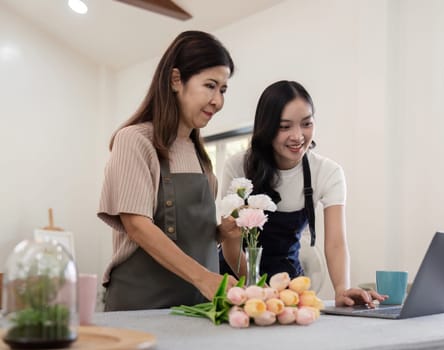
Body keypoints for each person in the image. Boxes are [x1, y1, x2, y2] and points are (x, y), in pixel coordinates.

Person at [98, 30, 239, 311]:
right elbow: (137, 226)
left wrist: (221, 232)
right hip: (142, 308)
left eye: (223, 89)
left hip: (197, 309)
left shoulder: (202, 159)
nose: (218, 101)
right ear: (176, 80)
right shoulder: (135, 140)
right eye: (210, 85)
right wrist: (205, 279)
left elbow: (190, 235)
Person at [220, 80, 386, 307]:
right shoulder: (238, 167)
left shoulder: (327, 172)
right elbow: (230, 241)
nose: (298, 136)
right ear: (266, 127)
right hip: (237, 280)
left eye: (306, 124)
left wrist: (342, 289)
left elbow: (336, 242)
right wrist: (256, 287)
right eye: (285, 126)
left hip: (287, 283)